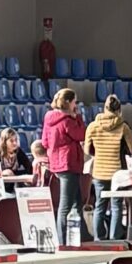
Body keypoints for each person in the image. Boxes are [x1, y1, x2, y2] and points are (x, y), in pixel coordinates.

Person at [40, 88, 88, 244]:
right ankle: (61, 239)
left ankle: (83, 234)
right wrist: (79, 118)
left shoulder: (49, 119)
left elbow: (44, 142)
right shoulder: (68, 121)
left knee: (76, 201)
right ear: (68, 102)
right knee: (66, 205)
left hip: (57, 164)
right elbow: (81, 135)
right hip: (69, 163)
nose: (76, 104)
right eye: (75, 101)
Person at [86, 95, 131, 240]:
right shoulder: (123, 127)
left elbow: (87, 150)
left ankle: (98, 238)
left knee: (100, 205)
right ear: (119, 110)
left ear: (104, 108)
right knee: (117, 206)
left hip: (99, 171)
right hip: (118, 173)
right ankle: (115, 237)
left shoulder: (93, 126)